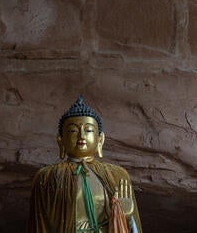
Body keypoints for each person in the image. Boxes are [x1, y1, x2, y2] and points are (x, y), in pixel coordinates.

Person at [29, 96, 142, 233]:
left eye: (88, 130)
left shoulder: (117, 175)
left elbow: (132, 227)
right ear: (61, 140)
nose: (81, 136)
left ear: (100, 139)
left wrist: (125, 216)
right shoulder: (46, 177)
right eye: (73, 131)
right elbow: (40, 226)